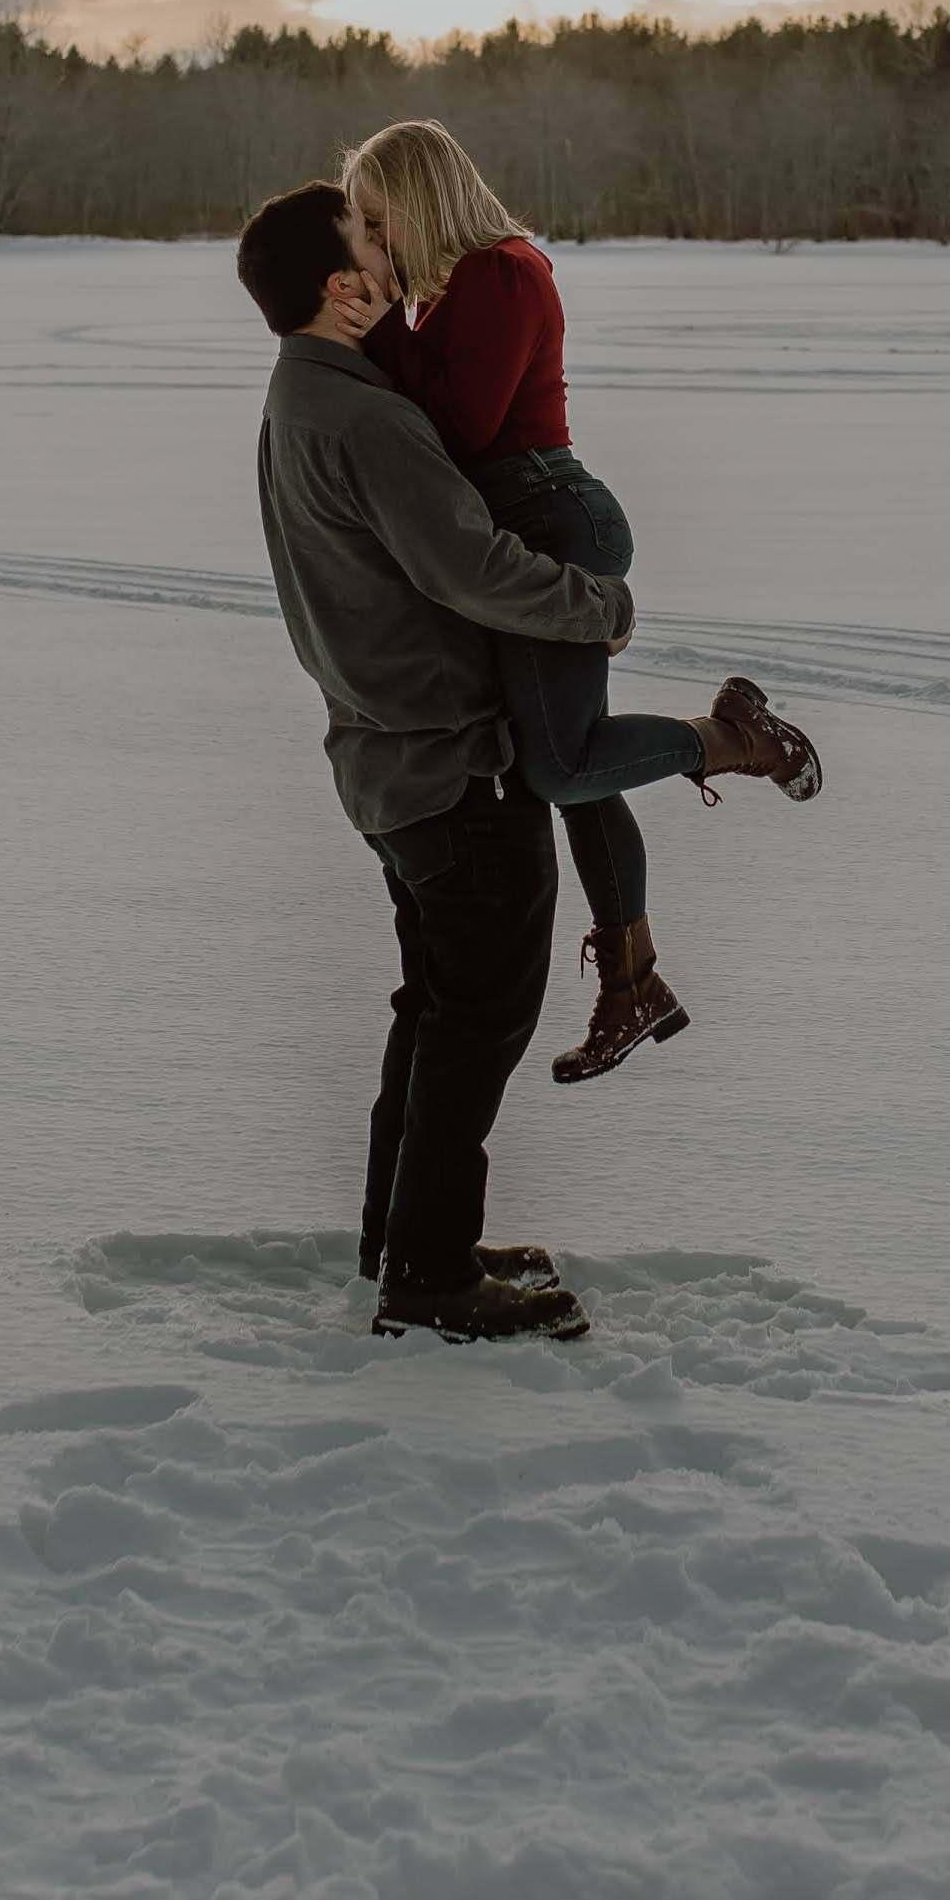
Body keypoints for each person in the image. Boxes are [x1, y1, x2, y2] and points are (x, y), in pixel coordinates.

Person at [341, 119, 821, 1087]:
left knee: (559, 766)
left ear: (420, 197)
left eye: (376, 217)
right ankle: (633, 981)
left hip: (553, 521)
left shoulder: (503, 272)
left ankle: (735, 736)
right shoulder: (445, 287)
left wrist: (369, 326)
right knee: (559, 760)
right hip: (506, 529)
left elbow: (462, 425)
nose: (370, 239)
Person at [238, 176, 626, 1344]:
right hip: (447, 765)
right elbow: (469, 566)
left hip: (389, 761)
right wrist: (594, 607)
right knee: (478, 1020)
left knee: (435, 1011)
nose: (391, 241)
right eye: (369, 234)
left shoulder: (305, 394)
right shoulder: (364, 416)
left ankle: (402, 1239)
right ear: (342, 286)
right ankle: (430, 1273)